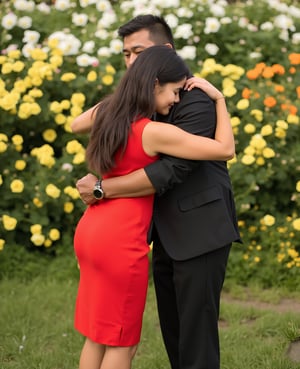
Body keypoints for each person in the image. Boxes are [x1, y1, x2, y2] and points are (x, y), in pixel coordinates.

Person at [72, 15, 241, 369]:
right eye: (126, 55)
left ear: (163, 54)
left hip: (197, 228)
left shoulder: (191, 99)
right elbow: (225, 148)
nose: (131, 61)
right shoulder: (139, 115)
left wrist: (102, 187)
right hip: (147, 232)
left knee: (180, 335)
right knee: (135, 336)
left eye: (139, 53)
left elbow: (173, 169)